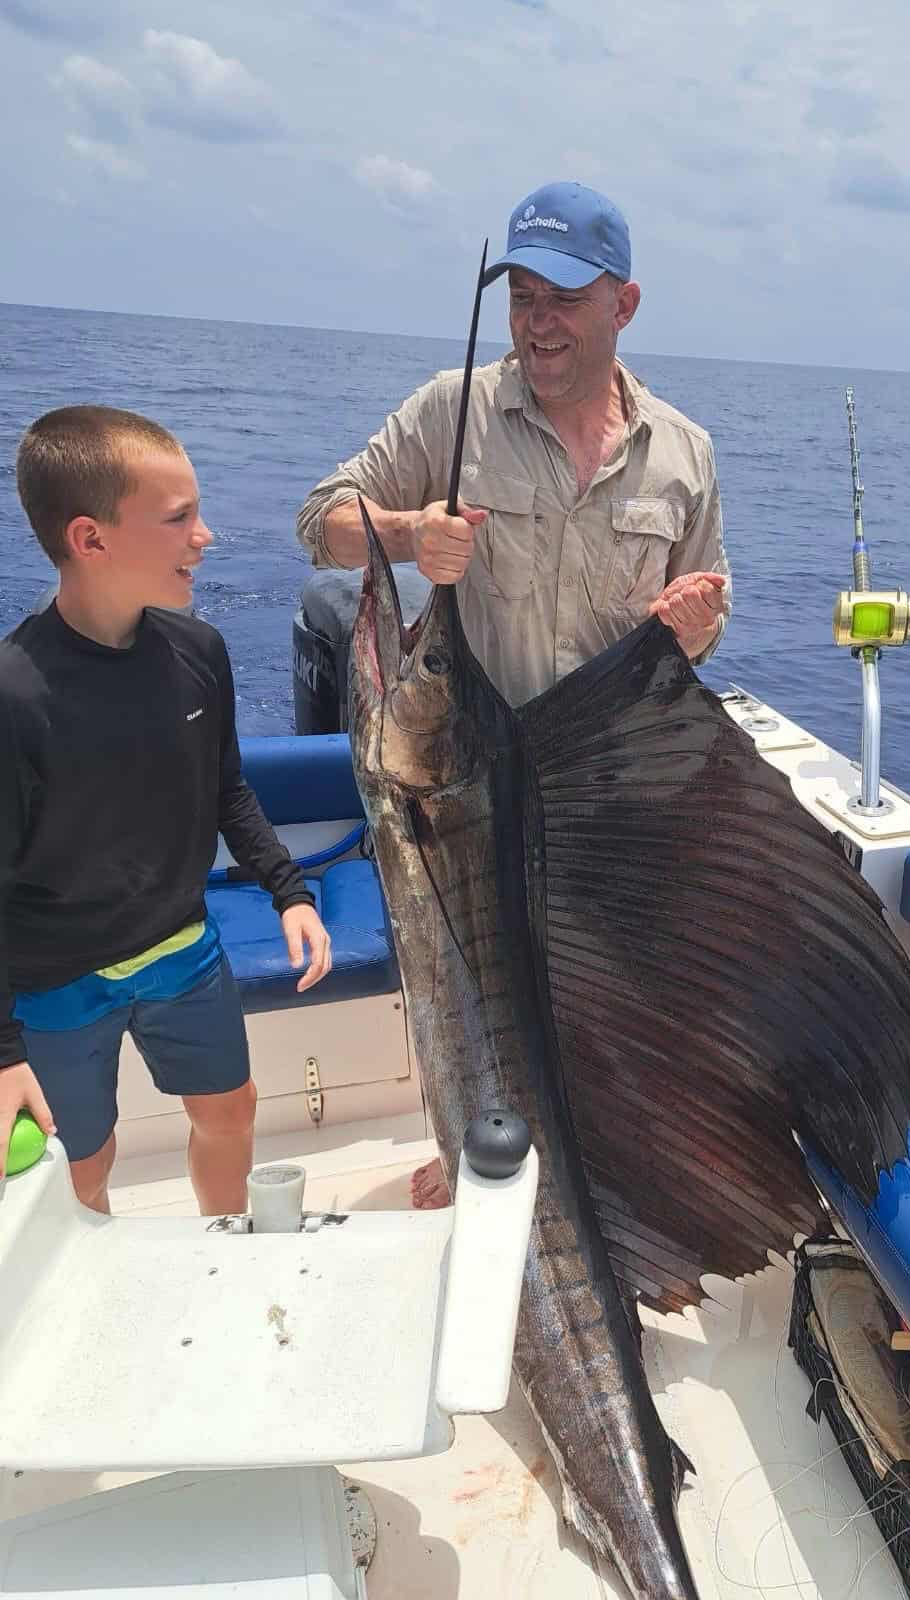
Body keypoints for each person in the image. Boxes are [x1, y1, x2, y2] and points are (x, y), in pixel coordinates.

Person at [297, 180, 730, 1206]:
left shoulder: (683, 452)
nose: (538, 323)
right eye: (522, 297)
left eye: (564, 299)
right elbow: (322, 522)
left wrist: (696, 630)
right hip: (475, 795)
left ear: (623, 304)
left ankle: (595, 1182)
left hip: (611, 795)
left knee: (601, 1002)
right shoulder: (451, 411)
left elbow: (705, 610)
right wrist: (408, 533)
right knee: (473, 997)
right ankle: (468, 1146)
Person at [0, 405, 332, 1215]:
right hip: (53, 981)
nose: (204, 536)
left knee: (232, 1110)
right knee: (82, 1164)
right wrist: (6, 1055)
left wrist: (288, 891)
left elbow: (227, 790)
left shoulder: (199, 651)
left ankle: (226, 1246)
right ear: (90, 539)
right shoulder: (14, 696)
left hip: (182, 946)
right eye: (180, 518)